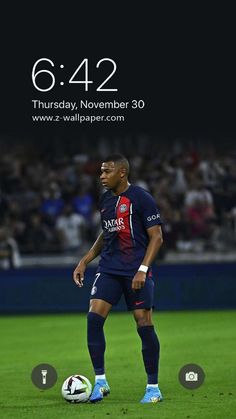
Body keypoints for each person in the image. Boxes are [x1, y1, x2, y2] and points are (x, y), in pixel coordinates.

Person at [73, 154, 164, 404]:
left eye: (106, 171)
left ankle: (153, 387)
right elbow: (107, 233)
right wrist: (85, 260)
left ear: (122, 172)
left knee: (143, 324)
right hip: (110, 268)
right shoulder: (105, 200)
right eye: (100, 172)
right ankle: (100, 382)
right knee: (93, 318)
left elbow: (157, 237)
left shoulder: (141, 198)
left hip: (136, 269)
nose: (101, 176)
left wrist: (143, 270)